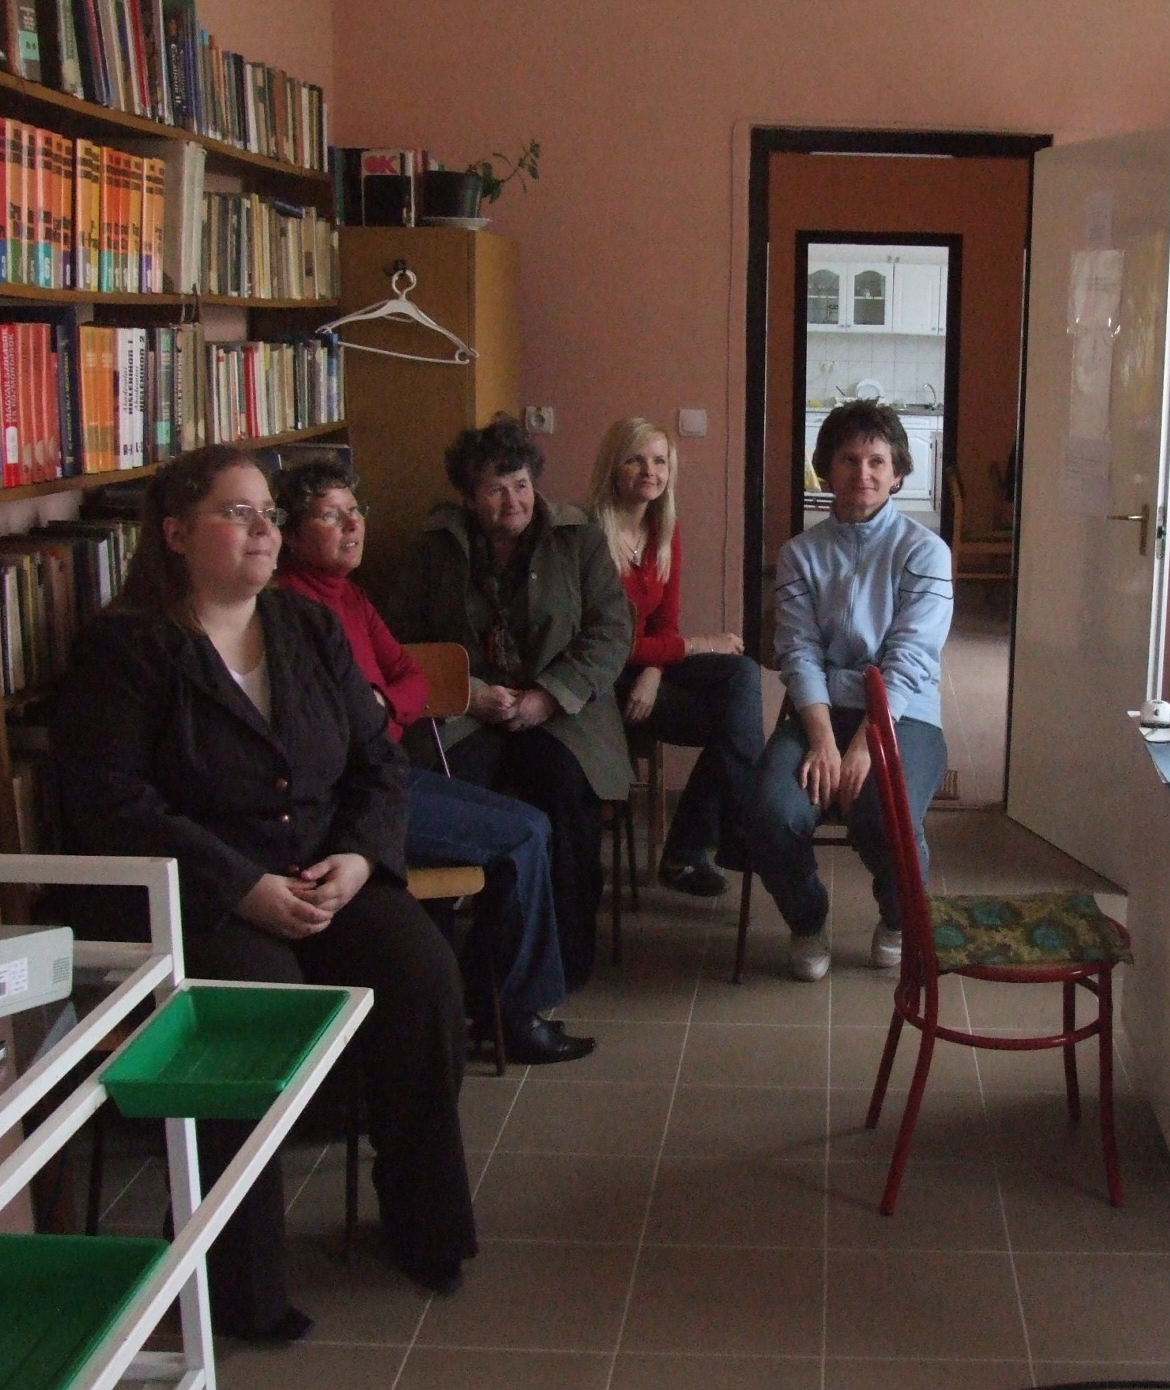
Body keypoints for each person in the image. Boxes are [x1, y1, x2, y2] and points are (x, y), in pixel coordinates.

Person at [47, 445, 476, 1334]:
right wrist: (241, 886)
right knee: (259, 1009)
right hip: (202, 893)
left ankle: (424, 1225)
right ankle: (237, 1283)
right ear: (175, 533)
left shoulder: (305, 627)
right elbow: (111, 803)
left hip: (327, 872)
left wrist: (359, 859)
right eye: (237, 513)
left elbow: (377, 763)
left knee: (424, 975)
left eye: (269, 515)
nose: (264, 531)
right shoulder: (125, 647)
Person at [272, 456, 595, 1065]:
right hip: (353, 799)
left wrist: (382, 706)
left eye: (356, 512)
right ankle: (511, 1015)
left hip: (390, 771)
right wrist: (383, 711)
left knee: (534, 821)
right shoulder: (291, 610)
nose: (354, 526)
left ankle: (491, 997)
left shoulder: (350, 596)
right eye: (332, 517)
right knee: (524, 835)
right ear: (289, 534)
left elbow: (409, 676)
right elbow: (342, 729)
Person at [385, 415, 632, 994]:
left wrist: (548, 696)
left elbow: (611, 632)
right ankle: (445, 968)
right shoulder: (435, 548)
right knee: (447, 796)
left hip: (563, 711)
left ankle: (560, 962)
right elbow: (399, 642)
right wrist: (469, 693)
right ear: (469, 497)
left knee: (564, 794)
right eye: (495, 489)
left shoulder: (578, 537)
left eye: (520, 484)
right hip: (468, 713)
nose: (513, 500)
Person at [748, 400, 953, 982]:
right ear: (826, 470)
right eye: (848, 459)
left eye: (876, 461)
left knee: (882, 814)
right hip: (819, 710)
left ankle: (898, 918)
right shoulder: (799, 554)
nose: (862, 473)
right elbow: (798, 652)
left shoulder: (925, 552)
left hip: (905, 715)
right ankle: (808, 917)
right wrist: (822, 742)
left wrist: (865, 746)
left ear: (898, 473)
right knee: (770, 814)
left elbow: (910, 659)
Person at [586, 417, 764, 897]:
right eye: (635, 460)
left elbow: (664, 626)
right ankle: (708, 843)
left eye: (660, 461)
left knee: (741, 675)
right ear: (613, 467)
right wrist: (699, 644)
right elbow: (606, 644)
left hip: (644, 672)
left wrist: (653, 670)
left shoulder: (664, 530)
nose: (650, 471)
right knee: (733, 726)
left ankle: (722, 832)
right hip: (602, 682)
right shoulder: (589, 537)